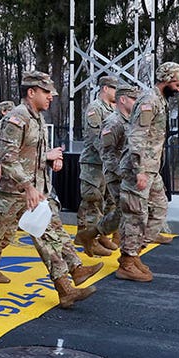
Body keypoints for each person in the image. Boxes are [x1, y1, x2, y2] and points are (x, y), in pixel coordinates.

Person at [0, 71, 102, 308]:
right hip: (11, 194)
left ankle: (67, 286)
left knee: (49, 235)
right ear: (31, 92)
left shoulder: (37, 119)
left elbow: (29, 155)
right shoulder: (17, 119)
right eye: (45, 93)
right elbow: (7, 158)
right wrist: (28, 186)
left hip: (34, 194)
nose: (50, 97)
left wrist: (49, 160)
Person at [115, 62, 179, 282]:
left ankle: (133, 252)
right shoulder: (148, 101)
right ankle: (127, 262)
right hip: (140, 169)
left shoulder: (160, 101)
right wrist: (140, 170)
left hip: (152, 169)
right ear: (166, 80)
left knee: (159, 209)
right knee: (136, 214)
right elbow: (137, 136)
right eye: (177, 84)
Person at [74, 75, 118, 257]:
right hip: (94, 163)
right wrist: (111, 159)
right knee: (93, 201)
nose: (117, 93)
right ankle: (89, 240)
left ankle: (98, 234)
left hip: (106, 163)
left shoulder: (114, 109)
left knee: (108, 200)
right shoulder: (95, 108)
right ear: (105, 89)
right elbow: (96, 138)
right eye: (115, 89)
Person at [95, 85, 139, 249]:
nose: (136, 102)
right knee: (126, 210)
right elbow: (107, 153)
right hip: (116, 174)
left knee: (126, 210)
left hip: (128, 173)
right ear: (123, 99)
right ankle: (126, 252)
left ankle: (96, 233)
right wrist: (122, 172)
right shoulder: (113, 122)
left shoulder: (131, 120)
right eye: (133, 99)